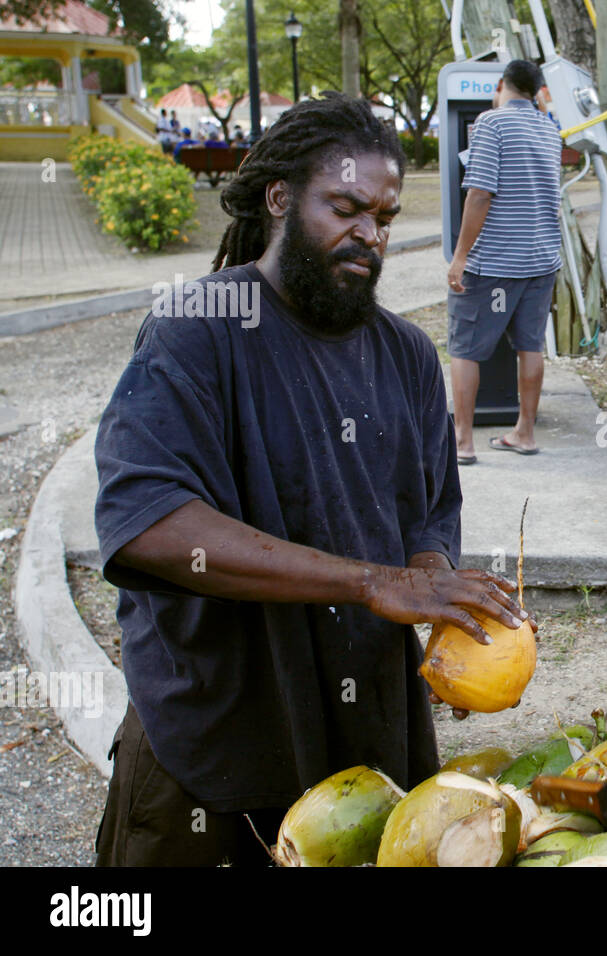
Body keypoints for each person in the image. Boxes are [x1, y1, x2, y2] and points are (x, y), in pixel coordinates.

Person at [93, 92, 529, 867]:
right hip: (220, 741)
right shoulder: (198, 330)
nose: (369, 233)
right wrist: (370, 581)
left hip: (368, 742)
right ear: (279, 198)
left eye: (385, 217)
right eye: (346, 207)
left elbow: (427, 517)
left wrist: (441, 595)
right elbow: (151, 521)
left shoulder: (406, 355)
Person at [446, 59, 561, 464]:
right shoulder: (550, 128)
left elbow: (479, 194)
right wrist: (541, 105)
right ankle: (524, 433)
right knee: (530, 345)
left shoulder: (491, 124)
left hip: (494, 262)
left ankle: (462, 443)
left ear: (500, 85)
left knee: (465, 349)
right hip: (542, 258)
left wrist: (459, 256)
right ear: (537, 91)